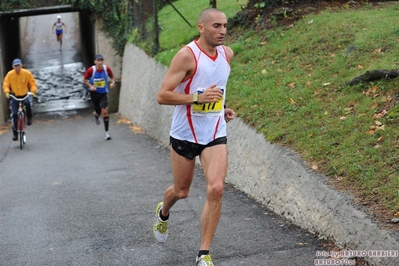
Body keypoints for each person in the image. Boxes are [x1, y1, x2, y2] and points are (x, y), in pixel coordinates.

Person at [153, 8, 236, 266]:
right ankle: (163, 211)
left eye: (224, 25)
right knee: (181, 191)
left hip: (214, 133)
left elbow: (215, 88)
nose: (222, 31)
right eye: (216, 26)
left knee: (216, 188)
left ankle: (203, 254)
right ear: (201, 27)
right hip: (184, 134)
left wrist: (221, 109)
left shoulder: (227, 54)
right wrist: (197, 98)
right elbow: (163, 95)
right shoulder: (186, 57)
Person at [83, 54, 116, 140]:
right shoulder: (91, 70)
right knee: (98, 111)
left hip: (103, 93)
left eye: (101, 60)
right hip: (94, 94)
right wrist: (90, 86)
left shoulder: (106, 69)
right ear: (95, 62)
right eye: (98, 60)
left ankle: (107, 133)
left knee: (104, 111)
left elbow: (112, 77)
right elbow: (84, 80)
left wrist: (113, 82)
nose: (100, 62)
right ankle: (96, 115)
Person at [3, 58, 37, 141]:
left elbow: (32, 83)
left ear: (21, 65)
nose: (17, 67)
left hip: (24, 95)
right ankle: (15, 132)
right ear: (13, 67)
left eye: (18, 65)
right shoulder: (10, 74)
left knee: (28, 104)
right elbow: (6, 85)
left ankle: (29, 117)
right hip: (15, 97)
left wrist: (33, 91)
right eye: (15, 66)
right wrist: (7, 92)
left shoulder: (26, 73)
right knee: (14, 114)